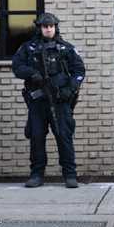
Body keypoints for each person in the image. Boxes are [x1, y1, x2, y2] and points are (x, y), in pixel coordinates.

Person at [12, 13, 85, 188]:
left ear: (55, 27)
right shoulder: (28, 48)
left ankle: (69, 175)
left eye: (51, 26)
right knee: (37, 137)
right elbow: (17, 66)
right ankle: (36, 175)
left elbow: (79, 70)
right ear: (39, 28)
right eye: (45, 26)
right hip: (38, 102)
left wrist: (70, 89)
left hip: (60, 101)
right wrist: (32, 74)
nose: (48, 29)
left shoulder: (66, 48)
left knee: (64, 137)